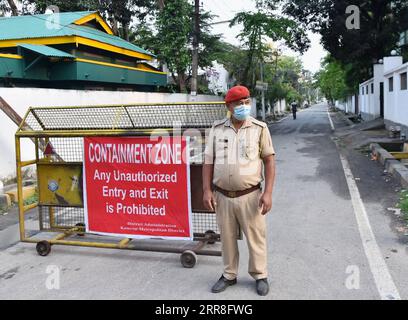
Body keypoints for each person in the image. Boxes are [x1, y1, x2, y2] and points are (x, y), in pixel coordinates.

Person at [202, 85, 276, 296]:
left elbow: (269, 162)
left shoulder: (259, 128)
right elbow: (208, 162)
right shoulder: (217, 129)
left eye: (246, 102)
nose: (243, 106)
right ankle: (229, 275)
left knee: (256, 238)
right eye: (238, 103)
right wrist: (207, 190)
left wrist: (268, 192)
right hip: (222, 195)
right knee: (226, 239)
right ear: (229, 106)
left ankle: (260, 275)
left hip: (250, 196)